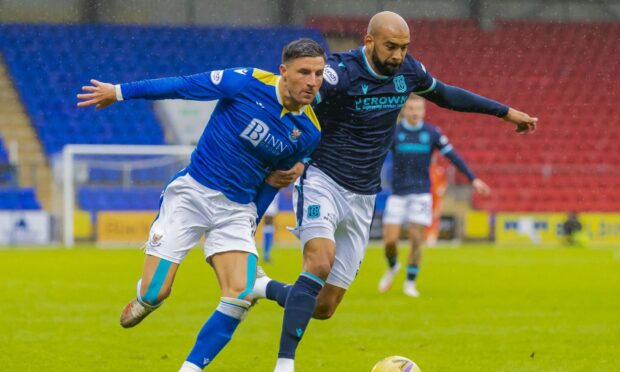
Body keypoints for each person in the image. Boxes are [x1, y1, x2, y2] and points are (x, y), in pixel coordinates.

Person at [252, 11, 538, 372]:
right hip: (322, 180)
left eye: (404, 48)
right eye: (391, 47)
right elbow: (293, 101)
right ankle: (284, 364)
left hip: (364, 194)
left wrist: (505, 112)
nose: (398, 55)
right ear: (368, 41)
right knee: (319, 262)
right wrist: (289, 156)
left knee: (323, 307)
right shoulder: (341, 72)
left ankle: (260, 288)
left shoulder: (408, 72)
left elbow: (446, 95)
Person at [76, 38, 325, 371]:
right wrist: (119, 92)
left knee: (239, 296)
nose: (312, 81)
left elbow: (273, 184)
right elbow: (183, 86)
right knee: (156, 294)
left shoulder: (308, 131)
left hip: (237, 211)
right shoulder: (247, 82)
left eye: (319, 74)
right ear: (283, 71)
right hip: (191, 196)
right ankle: (146, 296)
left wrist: (252, 217)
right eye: (304, 72)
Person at [378, 95, 491, 297]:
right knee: (390, 242)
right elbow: (375, 155)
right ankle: (393, 266)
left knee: (416, 240)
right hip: (398, 194)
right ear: (404, 111)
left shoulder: (431, 133)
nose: (415, 112)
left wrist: (472, 179)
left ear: (424, 111)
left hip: (422, 194)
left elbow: (453, 156)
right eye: (411, 109)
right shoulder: (394, 132)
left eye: (418, 109)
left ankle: (410, 283)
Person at [426, 156, 447, 246]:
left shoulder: (439, 170)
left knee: (435, 216)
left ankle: (433, 236)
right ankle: (426, 235)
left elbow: (443, 184)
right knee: (425, 217)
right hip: (426, 197)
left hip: (436, 198)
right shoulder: (425, 169)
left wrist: (441, 190)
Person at [262, 192, 280, 262]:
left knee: (270, 230)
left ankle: (266, 255)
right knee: (268, 229)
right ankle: (266, 255)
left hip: (271, 213)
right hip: (269, 212)